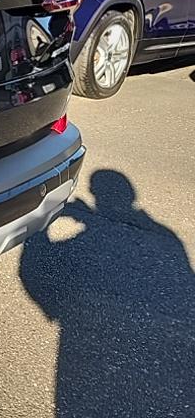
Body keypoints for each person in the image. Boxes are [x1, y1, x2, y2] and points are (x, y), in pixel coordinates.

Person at [19, 170, 194, 417]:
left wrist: (38, 231)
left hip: (91, 359)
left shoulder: (159, 239)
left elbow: (36, 273)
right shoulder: (166, 238)